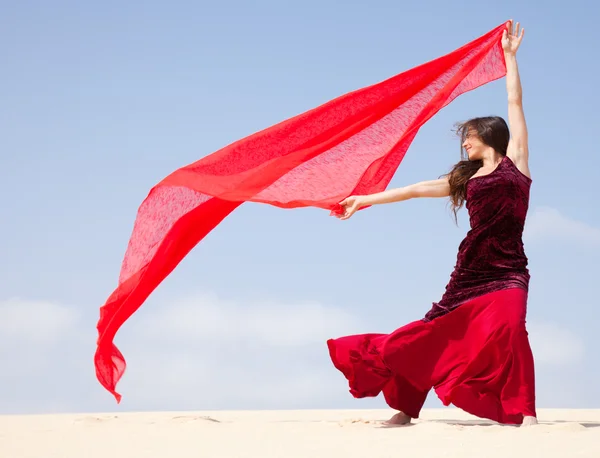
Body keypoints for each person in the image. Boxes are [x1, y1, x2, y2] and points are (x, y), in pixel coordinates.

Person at [327, 20, 538, 426]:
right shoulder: (465, 178)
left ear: (489, 137)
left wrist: (510, 58)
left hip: (510, 270)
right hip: (471, 270)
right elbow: (416, 189)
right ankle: (406, 408)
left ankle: (522, 411)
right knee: (431, 335)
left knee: (511, 330)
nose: (465, 143)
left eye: (470, 137)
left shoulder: (518, 163)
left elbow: (515, 103)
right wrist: (365, 199)